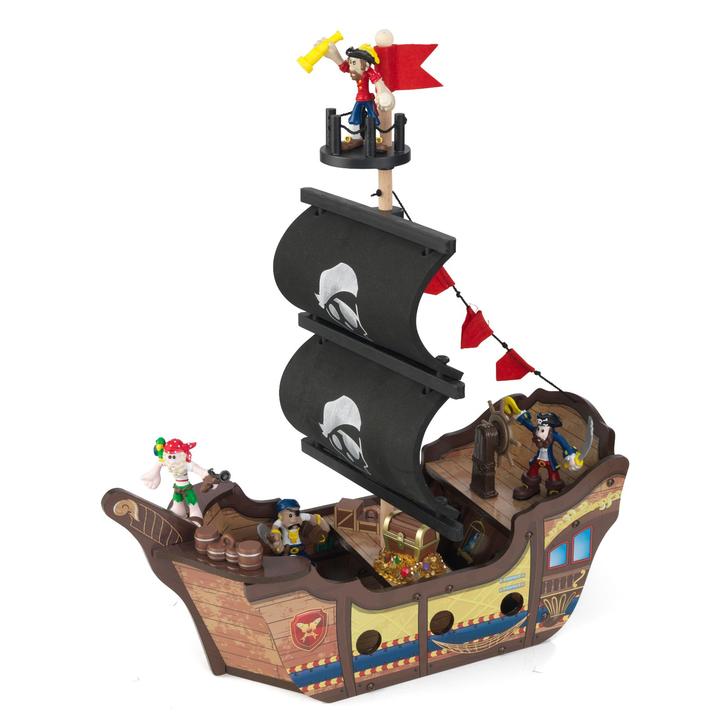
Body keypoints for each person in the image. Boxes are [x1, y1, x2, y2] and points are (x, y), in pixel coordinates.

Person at [502, 397, 582, 500]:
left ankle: (554, 490)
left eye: (542, 429)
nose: (539, 432)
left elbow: (565, 446)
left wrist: (571, 457)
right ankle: (530, 487)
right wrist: (518, 414)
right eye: (539, 428)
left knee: (553, 474)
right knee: (532, 471)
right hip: (538, 458)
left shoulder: (555, 436)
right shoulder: (537, 431)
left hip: (550, 460)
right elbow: (528, 424)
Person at [322, 41, 395, 149]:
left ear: (365, 65)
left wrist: (382, 93)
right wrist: (334, 55)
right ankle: (355, 138)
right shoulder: (356, 70)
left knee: (373, 118)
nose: (350, 67)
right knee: (354, 118)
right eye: (350, 62)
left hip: (368, 99)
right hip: (360, 99)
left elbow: (377, 80)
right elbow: (344, 67)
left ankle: (376, 140)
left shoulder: (368, 71)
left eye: (353, 63)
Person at [141, 437, 215, 525]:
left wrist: (208, 477)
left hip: (187, 488)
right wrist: (153, 475)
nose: (171, 460)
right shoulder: (167, 462)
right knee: (177, 502)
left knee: (192, 503)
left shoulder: (186, 464)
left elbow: (200, 471)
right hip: (177, 488)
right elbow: (158, 465)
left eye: (174, 456)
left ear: (181, 455)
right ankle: (179, 514)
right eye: (169, 456)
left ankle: (196, 517)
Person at [265, 499, 330, 556]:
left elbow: (315, 518)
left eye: (297, 513)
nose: (295, 519)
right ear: (280, 516)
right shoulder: (279, 522)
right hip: (287, 548)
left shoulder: (301, 516)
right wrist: (277, 539)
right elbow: (275, 530)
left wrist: (323, 526)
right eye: (290, 515)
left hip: (300, 547)